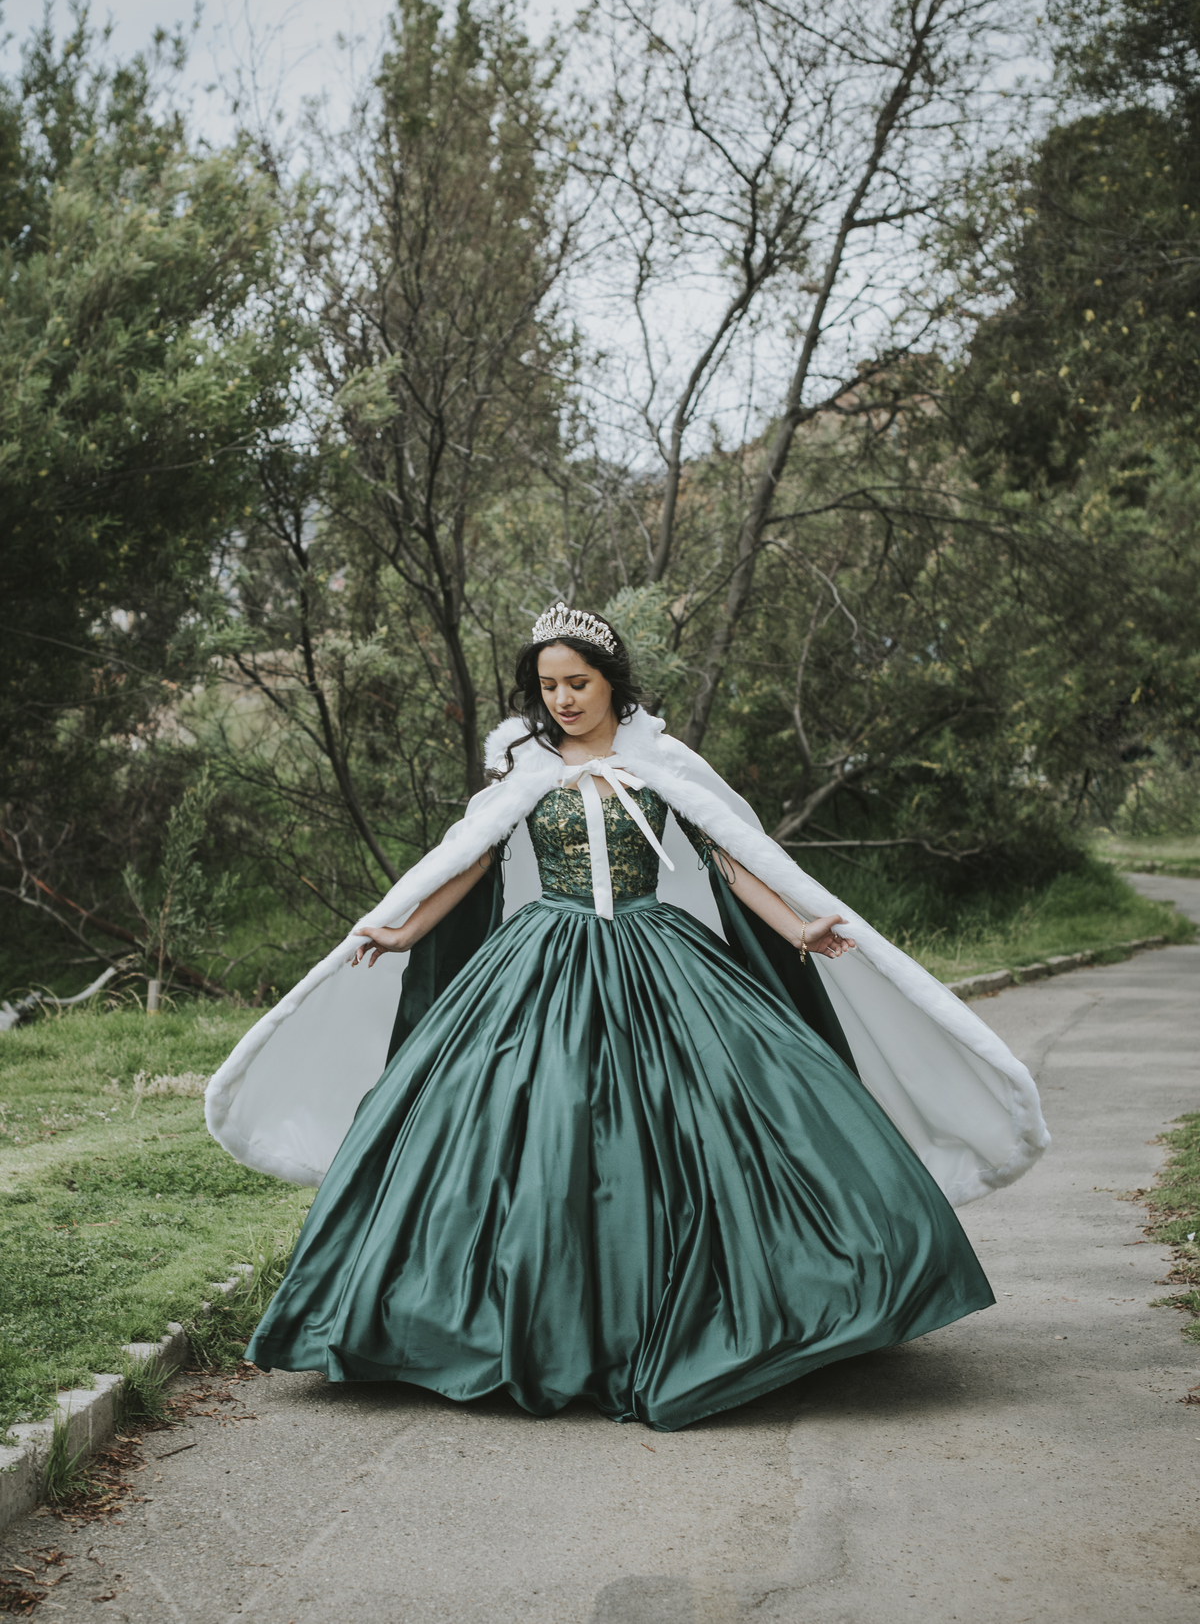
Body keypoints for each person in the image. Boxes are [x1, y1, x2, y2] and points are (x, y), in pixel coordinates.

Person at [208, 605, 1048, 1432]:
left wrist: (797, 926)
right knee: (516, 1123)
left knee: (730, 1111)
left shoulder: (662, 759)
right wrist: (404, 929)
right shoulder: (521, 764)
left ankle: (776, 1298)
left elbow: (731, 851)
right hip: (545, 949)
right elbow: (469, 859)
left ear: (612, 683)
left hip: (657, 947)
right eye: (549, 685)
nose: (564, 699)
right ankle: (494, 1322)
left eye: (578, 682)